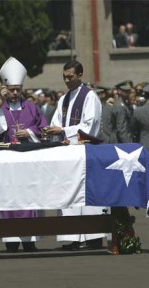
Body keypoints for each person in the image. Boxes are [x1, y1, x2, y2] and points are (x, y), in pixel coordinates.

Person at [0, 57, 47, 253]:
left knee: (29, 198)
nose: (15, 93)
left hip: (28, 162)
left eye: (18, 89)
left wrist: (30, 133)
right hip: (7, 162)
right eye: (12, 90)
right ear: (5, 89)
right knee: (9, 198)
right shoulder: (0, 106)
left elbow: (44, 127)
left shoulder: (32, 107)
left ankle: (29, 240)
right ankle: (11, 240)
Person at [45, 60, 106, 250]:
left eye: (70, 76)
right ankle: (72, 237)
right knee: (69, 194)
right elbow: (56, 122)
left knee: (88, 196)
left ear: (80, 75)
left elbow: (91, 125)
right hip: (68, 154)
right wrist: (51, 131)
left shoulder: (90, 97)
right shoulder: (63, 99)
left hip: (86, 153)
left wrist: (63, 131)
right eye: (64, 76)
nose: (66, 80)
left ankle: (93, 237)